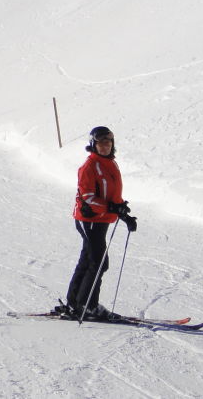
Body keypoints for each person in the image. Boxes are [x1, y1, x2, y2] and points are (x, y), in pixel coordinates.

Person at [55, 125, 138, 321]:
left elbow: (113, 194)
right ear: (94, 144)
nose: (105, 146)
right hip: (89, 219)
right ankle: (87, 306)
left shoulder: (110, 163)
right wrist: (111, 208)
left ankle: (75, 303)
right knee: (99, 262)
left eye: (108, 143)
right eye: (101, 143)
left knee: (88, 260)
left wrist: (123, 214)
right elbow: (88, 198)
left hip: (102, 220)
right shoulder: (89, 167)